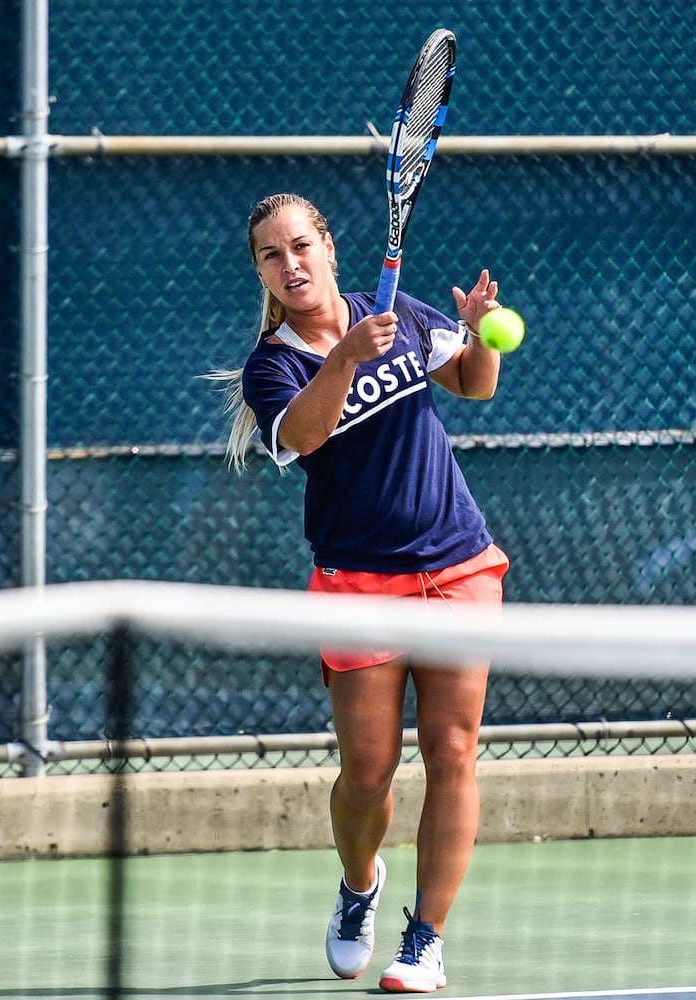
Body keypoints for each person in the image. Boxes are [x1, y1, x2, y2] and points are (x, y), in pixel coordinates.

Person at [209, 192, 509, 992]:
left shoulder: (399, 312)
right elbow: (302, 436)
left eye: (301, 245)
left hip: (457, 563)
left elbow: (473, 384)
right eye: (272, 255)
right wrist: (345, 357)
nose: (291, 263)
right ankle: (359, 886)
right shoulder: (271, 366)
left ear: (330, 249)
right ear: (262, 275)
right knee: (369, 775)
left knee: (452, 752)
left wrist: (478, 331)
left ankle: (427, 941)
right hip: (357, 584)